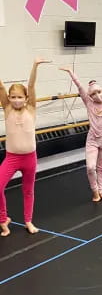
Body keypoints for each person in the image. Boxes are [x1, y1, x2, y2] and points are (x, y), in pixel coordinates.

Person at [59, 65, 102, 201]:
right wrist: (71, 73)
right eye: (93, 94)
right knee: (91, 167)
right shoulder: (89, 103)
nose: (97, 95)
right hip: (93, 139)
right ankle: (95, 192)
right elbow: (80, 88)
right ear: (90, 96)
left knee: (101, 167)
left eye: (99, 91)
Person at [0, 58, 51, 236]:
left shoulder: (31, 109)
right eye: (12, 97)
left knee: (28, 191)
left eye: (19, 97)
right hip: (11, 158)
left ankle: (28, 221)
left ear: (26, 98)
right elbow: (0, 88)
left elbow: (31, 86)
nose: (16, 100)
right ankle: (3, 218)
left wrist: (35, 66)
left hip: (29, 158)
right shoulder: (7, 109)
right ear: (8, 98)